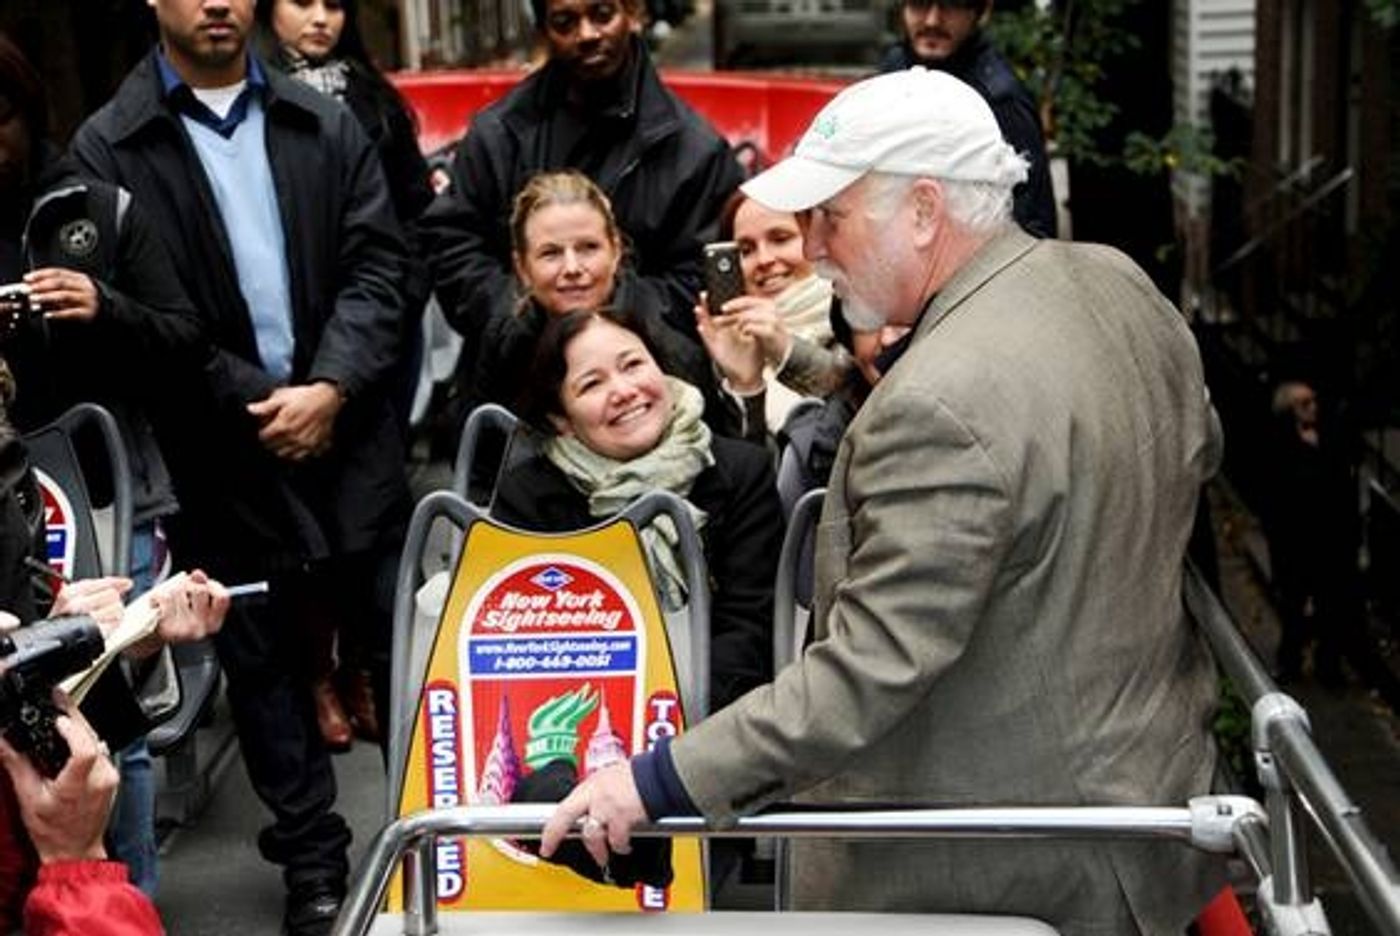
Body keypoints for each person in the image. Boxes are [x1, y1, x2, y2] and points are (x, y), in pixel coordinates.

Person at [540, 68, 1225, 935]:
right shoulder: (1113, 284)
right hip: (1150, 808)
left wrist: (656, 782)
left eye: (834, 217)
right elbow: (1177, 444)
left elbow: (867, 670)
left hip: (1002, 869)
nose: (816, 247)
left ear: (926, 211)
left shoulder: (940, 398)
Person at [69, 1, 411, 932]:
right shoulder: (111, 145)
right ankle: (314, 867)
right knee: (260, 665)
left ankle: (430, 849)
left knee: (394, 642)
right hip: (223, 447)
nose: (217, 1)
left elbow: (382, 267)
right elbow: (140, 318)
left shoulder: (322, 118)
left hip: (348, 431)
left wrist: (332, 386)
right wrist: (262, 399)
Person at [0, 30, 210, 895]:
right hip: (5, 502)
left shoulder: (94, 205)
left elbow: (187, 340)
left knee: (104, 718)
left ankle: (123, 901)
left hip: (93, 491)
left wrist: (103, 308)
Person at [255, 0, 434, 751]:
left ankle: (360, 667)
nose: (319, 19)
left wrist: (403, 296)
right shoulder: (252, 96)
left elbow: (416, 211)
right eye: (302, 2)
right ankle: (317, 674)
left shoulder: (371, 95)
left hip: (375, 330)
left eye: (333, 4)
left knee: (368, 523)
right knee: (297, 530)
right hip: (288, 341)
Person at [423, 0, 744, 399]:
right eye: (565, 22)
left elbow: (706, 279)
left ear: (634, 14)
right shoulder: (498, 134)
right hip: (517, 387)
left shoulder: (695, 151)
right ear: (544, 28)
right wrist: (523, 314)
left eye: (602, 14)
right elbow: (452, 245)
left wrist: (605, 313)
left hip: (647, 394)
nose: (588, 34)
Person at [491, 305, 780, 715]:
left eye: (633, 365)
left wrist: (667, 719)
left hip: (715, 718)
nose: (624, 391)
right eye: (592, 384)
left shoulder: (741, 471)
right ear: (561, 418)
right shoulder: (529, 497)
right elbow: (530, 653)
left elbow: (749, 630)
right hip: (577, 720)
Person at [477, 170, 715, 419]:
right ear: (522, 267)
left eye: (588, 248)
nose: (572, 268)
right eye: (551, 253)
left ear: (616, 251)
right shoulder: (506, 341)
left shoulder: (667, 349)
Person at [878, 0, 1057, 239]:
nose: (932, 20)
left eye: (951, 5)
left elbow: (1034, 227)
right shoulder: (896, 65)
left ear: (981, 11)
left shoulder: (999, 99)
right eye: (919, 4)